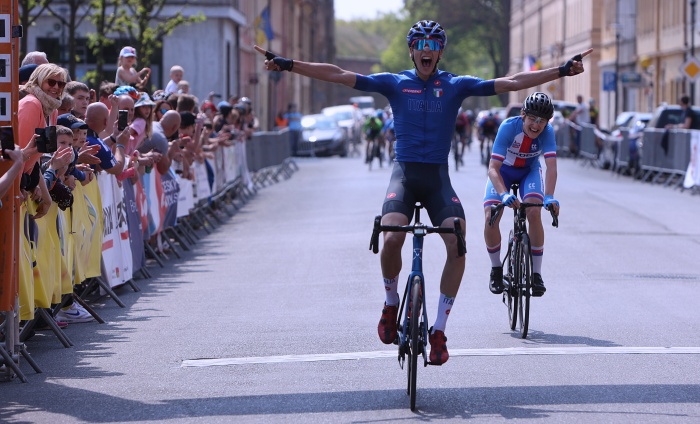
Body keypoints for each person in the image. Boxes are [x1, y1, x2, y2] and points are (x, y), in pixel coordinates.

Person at [255, 20, 589, 365]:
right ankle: (390, 304)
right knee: (391, 237)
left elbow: (513, 82)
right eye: (421, 45)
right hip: (405, 176)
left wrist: (562, 71)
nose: (427, 51)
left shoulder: (455, 85)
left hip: (437, 180)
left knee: (457, 241)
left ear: (439, 52)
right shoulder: (395, 83)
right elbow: (338, 74)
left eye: (433, 45)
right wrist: (288, 64)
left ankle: (439, 330)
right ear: (412, 51)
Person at [483, 92, 560, 298]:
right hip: (504, 172)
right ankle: (496, 269)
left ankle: (536, 274)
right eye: (533, 118)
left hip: (529, 172)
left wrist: (549, 196)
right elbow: (493, 168)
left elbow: (551, 167)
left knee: (534, 212)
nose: (536, 125)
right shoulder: (508, 127)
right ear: (523, 115)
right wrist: (503, 194)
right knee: (491, 215)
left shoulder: (547, 132)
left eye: (542, 121)